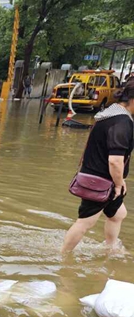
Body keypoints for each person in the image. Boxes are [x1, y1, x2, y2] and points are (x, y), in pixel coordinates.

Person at [62, 80, 134, 253]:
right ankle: (63, 256)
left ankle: (110, 247)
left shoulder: (110, 115)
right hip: (101, 181)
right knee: (86, 222)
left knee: (118, 214)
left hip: (102, 177)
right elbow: (115, 160)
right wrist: (118, 184)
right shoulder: (122, 123)